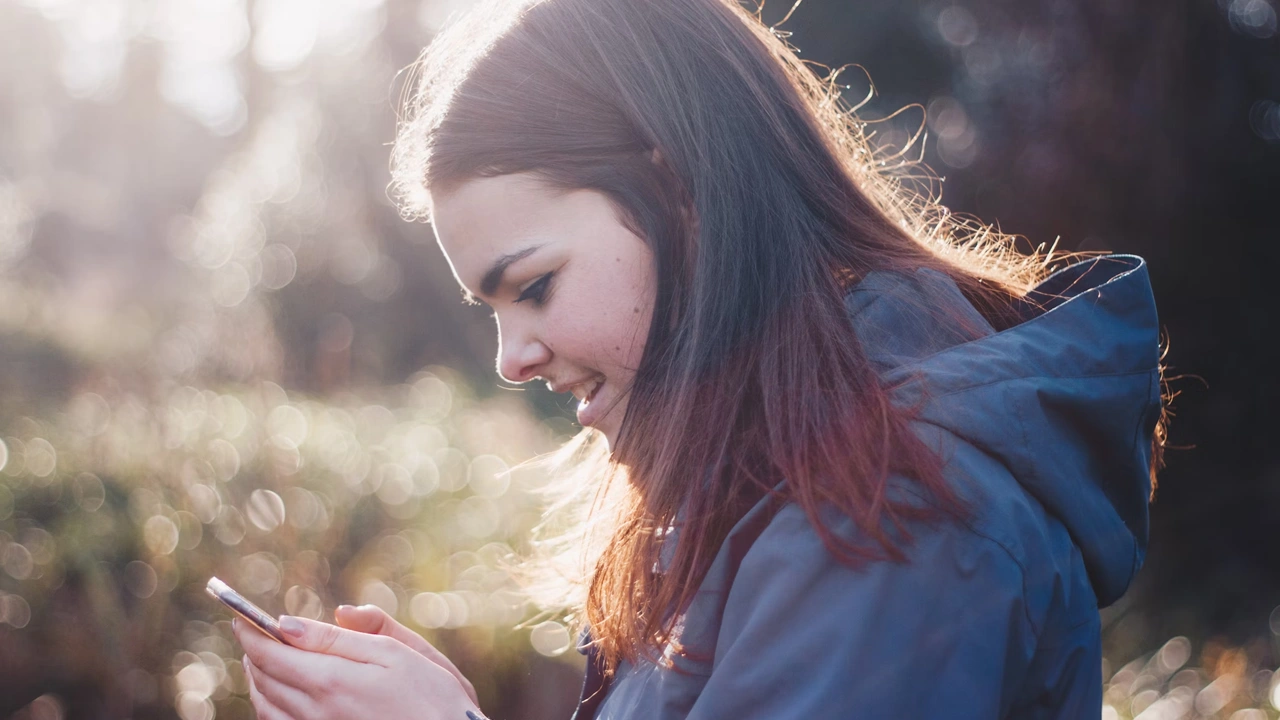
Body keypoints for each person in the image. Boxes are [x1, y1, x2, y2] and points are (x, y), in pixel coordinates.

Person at [233, 0, 1169, 717]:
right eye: (491, 308)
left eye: (535, 285)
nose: (513, 358)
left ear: (679, 192)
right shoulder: (779, 481)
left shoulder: (896, 514)